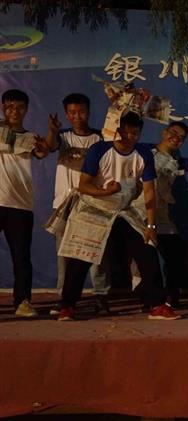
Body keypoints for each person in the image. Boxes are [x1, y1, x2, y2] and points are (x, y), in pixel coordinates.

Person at [57, 111, 179, 321]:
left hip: (124, 210)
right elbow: (83, 185)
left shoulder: (143, 154)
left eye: (135, 133)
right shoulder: (99, 150)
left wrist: (151, 226)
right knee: (80, 257)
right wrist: (105, 192)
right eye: (127, 132)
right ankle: (67, 306)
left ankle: (157, 304)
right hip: (95, 208)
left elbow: (149, 192)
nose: (130, 137)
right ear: (119, 131)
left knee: (147, 249)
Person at [134, 121, 188, 308]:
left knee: (174, 255)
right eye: (173, 133)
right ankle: (150, 299)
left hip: (163, 216)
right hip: (140, 213)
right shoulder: (143, 150)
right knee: (147, 260)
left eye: (181, 137)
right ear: (164, 132)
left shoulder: (176, 162)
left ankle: (172, 297)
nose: (176, 138)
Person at [45, 93, 109, 314]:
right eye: (72, 112)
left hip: (93, 203)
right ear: (66, 114)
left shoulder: (101, 138)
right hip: (64, 203)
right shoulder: (62, 137)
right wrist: (52, 131)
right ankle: (65, 298)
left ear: (88, 112)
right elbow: (49, 146)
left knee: (96, 252)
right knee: (64, 254)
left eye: (81, 111)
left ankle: (101, 295)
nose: (77, 116)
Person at [0, 89, 49, 317]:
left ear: (27, 110)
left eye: (19, 107)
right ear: (3, 107)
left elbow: (43, 152)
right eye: (9, 106)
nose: (14, 111)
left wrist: (51, 133)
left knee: (21, 258)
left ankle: (22, 302)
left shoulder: (32, 138)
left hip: (20, 206)